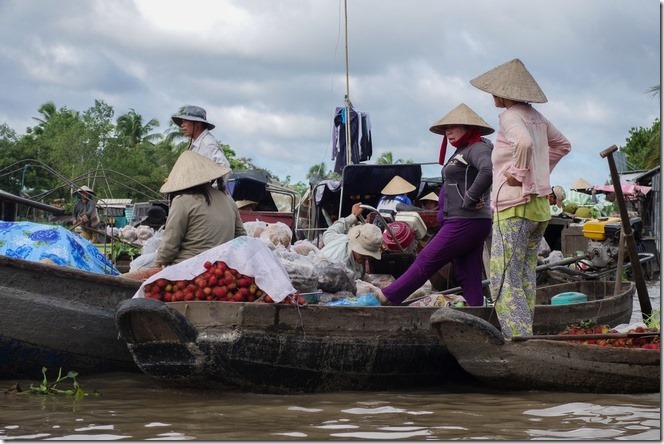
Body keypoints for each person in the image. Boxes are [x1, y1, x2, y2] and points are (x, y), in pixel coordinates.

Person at [470, 58, 572, 337]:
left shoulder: (510, 115)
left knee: (503, 275)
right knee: (525, 273)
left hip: (515, 206)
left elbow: (524, 143)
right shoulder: (536, 117)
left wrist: (519, 173)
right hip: (538, 209)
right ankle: (524, 330)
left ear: (505, 94)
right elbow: (563, 145)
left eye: (494, 91)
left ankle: (515, 336)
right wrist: (539, 174)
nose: (492, 96)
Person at [377, 103, 494, 307]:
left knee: (426, 260)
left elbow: (488, 170)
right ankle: (477, 312)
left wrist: (470, 198)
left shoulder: (478, 147)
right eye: (446, 128)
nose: (448, 131)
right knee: (467, 272)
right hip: (465, 221)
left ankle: (387, 297)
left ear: (469, 127)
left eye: (454, 127)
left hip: (466, 221)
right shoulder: (463, 150)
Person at [155, 151, 247, 267]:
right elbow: (241, 237)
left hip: (188, 269)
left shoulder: (181, 201)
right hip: (221, 269)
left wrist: (156, 265)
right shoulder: (229, 200)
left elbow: (169, 247)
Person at [320, 202, 383, 280]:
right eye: (364, 255)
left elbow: (329, 233)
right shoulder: (342, 267)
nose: (365, 259)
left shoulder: (341, 239)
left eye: (368, 257)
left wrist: (353, 217)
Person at [171, 105, 232, 186]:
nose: (182, 125)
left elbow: (225, 168)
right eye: (182, 122)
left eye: (185, 121)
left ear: (198, 123)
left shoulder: (208, 143)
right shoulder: (195, 142)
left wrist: (212, 191)